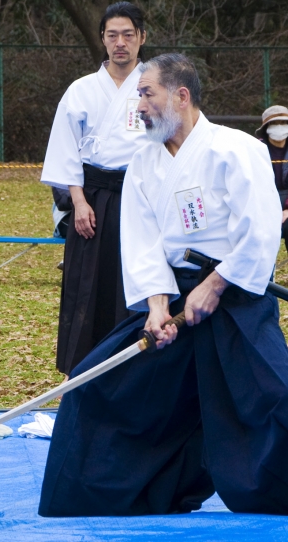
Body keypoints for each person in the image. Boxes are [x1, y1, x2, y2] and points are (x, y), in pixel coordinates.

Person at [39, 53, 288, 517]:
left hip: (235, 295)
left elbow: (260, 229)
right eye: (138, 95)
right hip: (173, 297)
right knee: (97, 385)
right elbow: (141, 242)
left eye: (147, 93)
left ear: (181, 95)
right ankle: (128, 494)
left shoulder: (235, 150)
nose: (140, 105)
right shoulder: (144, 162)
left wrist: (214, 285)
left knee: (277, 396)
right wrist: (156, 306)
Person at [41, 2, 147, 376]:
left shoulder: (155, 86)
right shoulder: (81, 90)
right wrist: (79, 202)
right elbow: (65, 150)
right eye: (112, 35)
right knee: (88, 284)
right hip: (95, 197)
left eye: (128, 35)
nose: (120, 43)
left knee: (137, 282)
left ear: (142, 38)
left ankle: (135, 371)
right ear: (102, 39)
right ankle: (81, 372)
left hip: (143, 199)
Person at [256, 105, 288, 249]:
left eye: (284, 123)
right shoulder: (255, 150)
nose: (279, 127)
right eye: (275, 123)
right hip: (263, 207)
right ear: (266, 127)